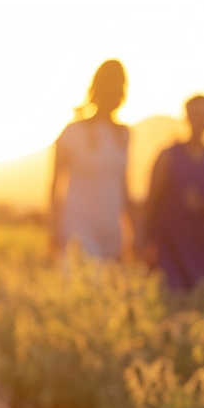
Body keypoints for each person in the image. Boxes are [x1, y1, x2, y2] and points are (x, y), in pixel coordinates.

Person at [142, 95, 204, 291]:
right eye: (195, 114)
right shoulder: (167, 156)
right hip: (171, 247)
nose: (200, 120)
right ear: (187, 118)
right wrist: (145, 241)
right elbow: (151, 202)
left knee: (201, 300)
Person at [49, 60, 134, 262]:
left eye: (121, 86)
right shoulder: (71, 132)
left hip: (112, 231)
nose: (116, 91)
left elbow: (124, 187)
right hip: (78, 226)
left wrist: (135, 233)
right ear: (99, 88)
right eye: (111, 85)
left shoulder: (124, 134)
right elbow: (54, 186)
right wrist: (53, 229)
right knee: (85, 281)